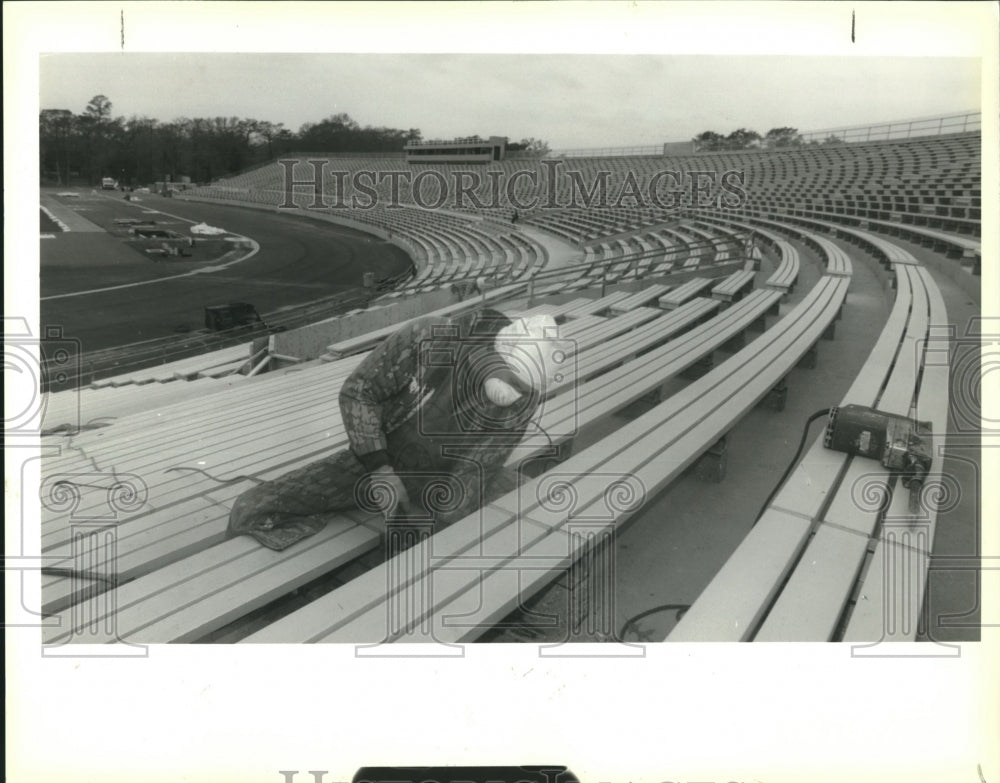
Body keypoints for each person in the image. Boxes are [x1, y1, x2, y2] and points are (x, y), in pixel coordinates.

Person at [227, 308, 561, 550]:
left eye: (523, 388)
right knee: (255, 505)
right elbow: (359, 391)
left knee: (530, 510)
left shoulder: (523, 397)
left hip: (449, 475)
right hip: (382, 455)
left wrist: (431, 526)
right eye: (511, 380)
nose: (512, 393)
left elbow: (476, 469)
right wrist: (381, 470)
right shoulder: (427, 338)